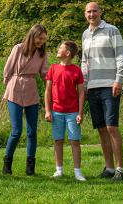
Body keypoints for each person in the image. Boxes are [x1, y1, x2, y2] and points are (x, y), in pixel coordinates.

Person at [81, 2, 123, 181]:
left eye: (94, 11)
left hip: (110, 84)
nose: (92, 14)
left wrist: (119, 80)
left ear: (100, 12)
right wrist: (84, 86)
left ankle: (120, 169)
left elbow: (121, 56)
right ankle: (109, 168)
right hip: (92, 87)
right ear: (85, 14)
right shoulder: (85, 34)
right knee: (101, 129)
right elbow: (85, 63)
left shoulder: (111, 30)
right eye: (88, 12)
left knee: (111, 127)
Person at [2, 24, 48, 176]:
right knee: (16, 130)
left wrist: (55, 79)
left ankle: (30, 166)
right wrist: (7, 90)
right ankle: (7, 164)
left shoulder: (42, 53)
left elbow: (44, 72)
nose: (41, 41)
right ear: (32, 35)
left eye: (43, 39)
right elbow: (7, 70)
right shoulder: (18, 48)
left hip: (31, 90)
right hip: (15, 88)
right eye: (39, 38)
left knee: (32, 131)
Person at [44, 41, 86, 181]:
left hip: (73, 113)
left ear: (67, 53)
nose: (57, 49)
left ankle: (78, 172)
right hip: (56, 112)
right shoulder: (53, 68)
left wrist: (80, 113)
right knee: (58, 141)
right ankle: (59, 170)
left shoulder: (76, 70)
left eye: (60, 47)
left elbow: (81, 93)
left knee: (75, 141)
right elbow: (47, 91)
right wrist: (47, 111)